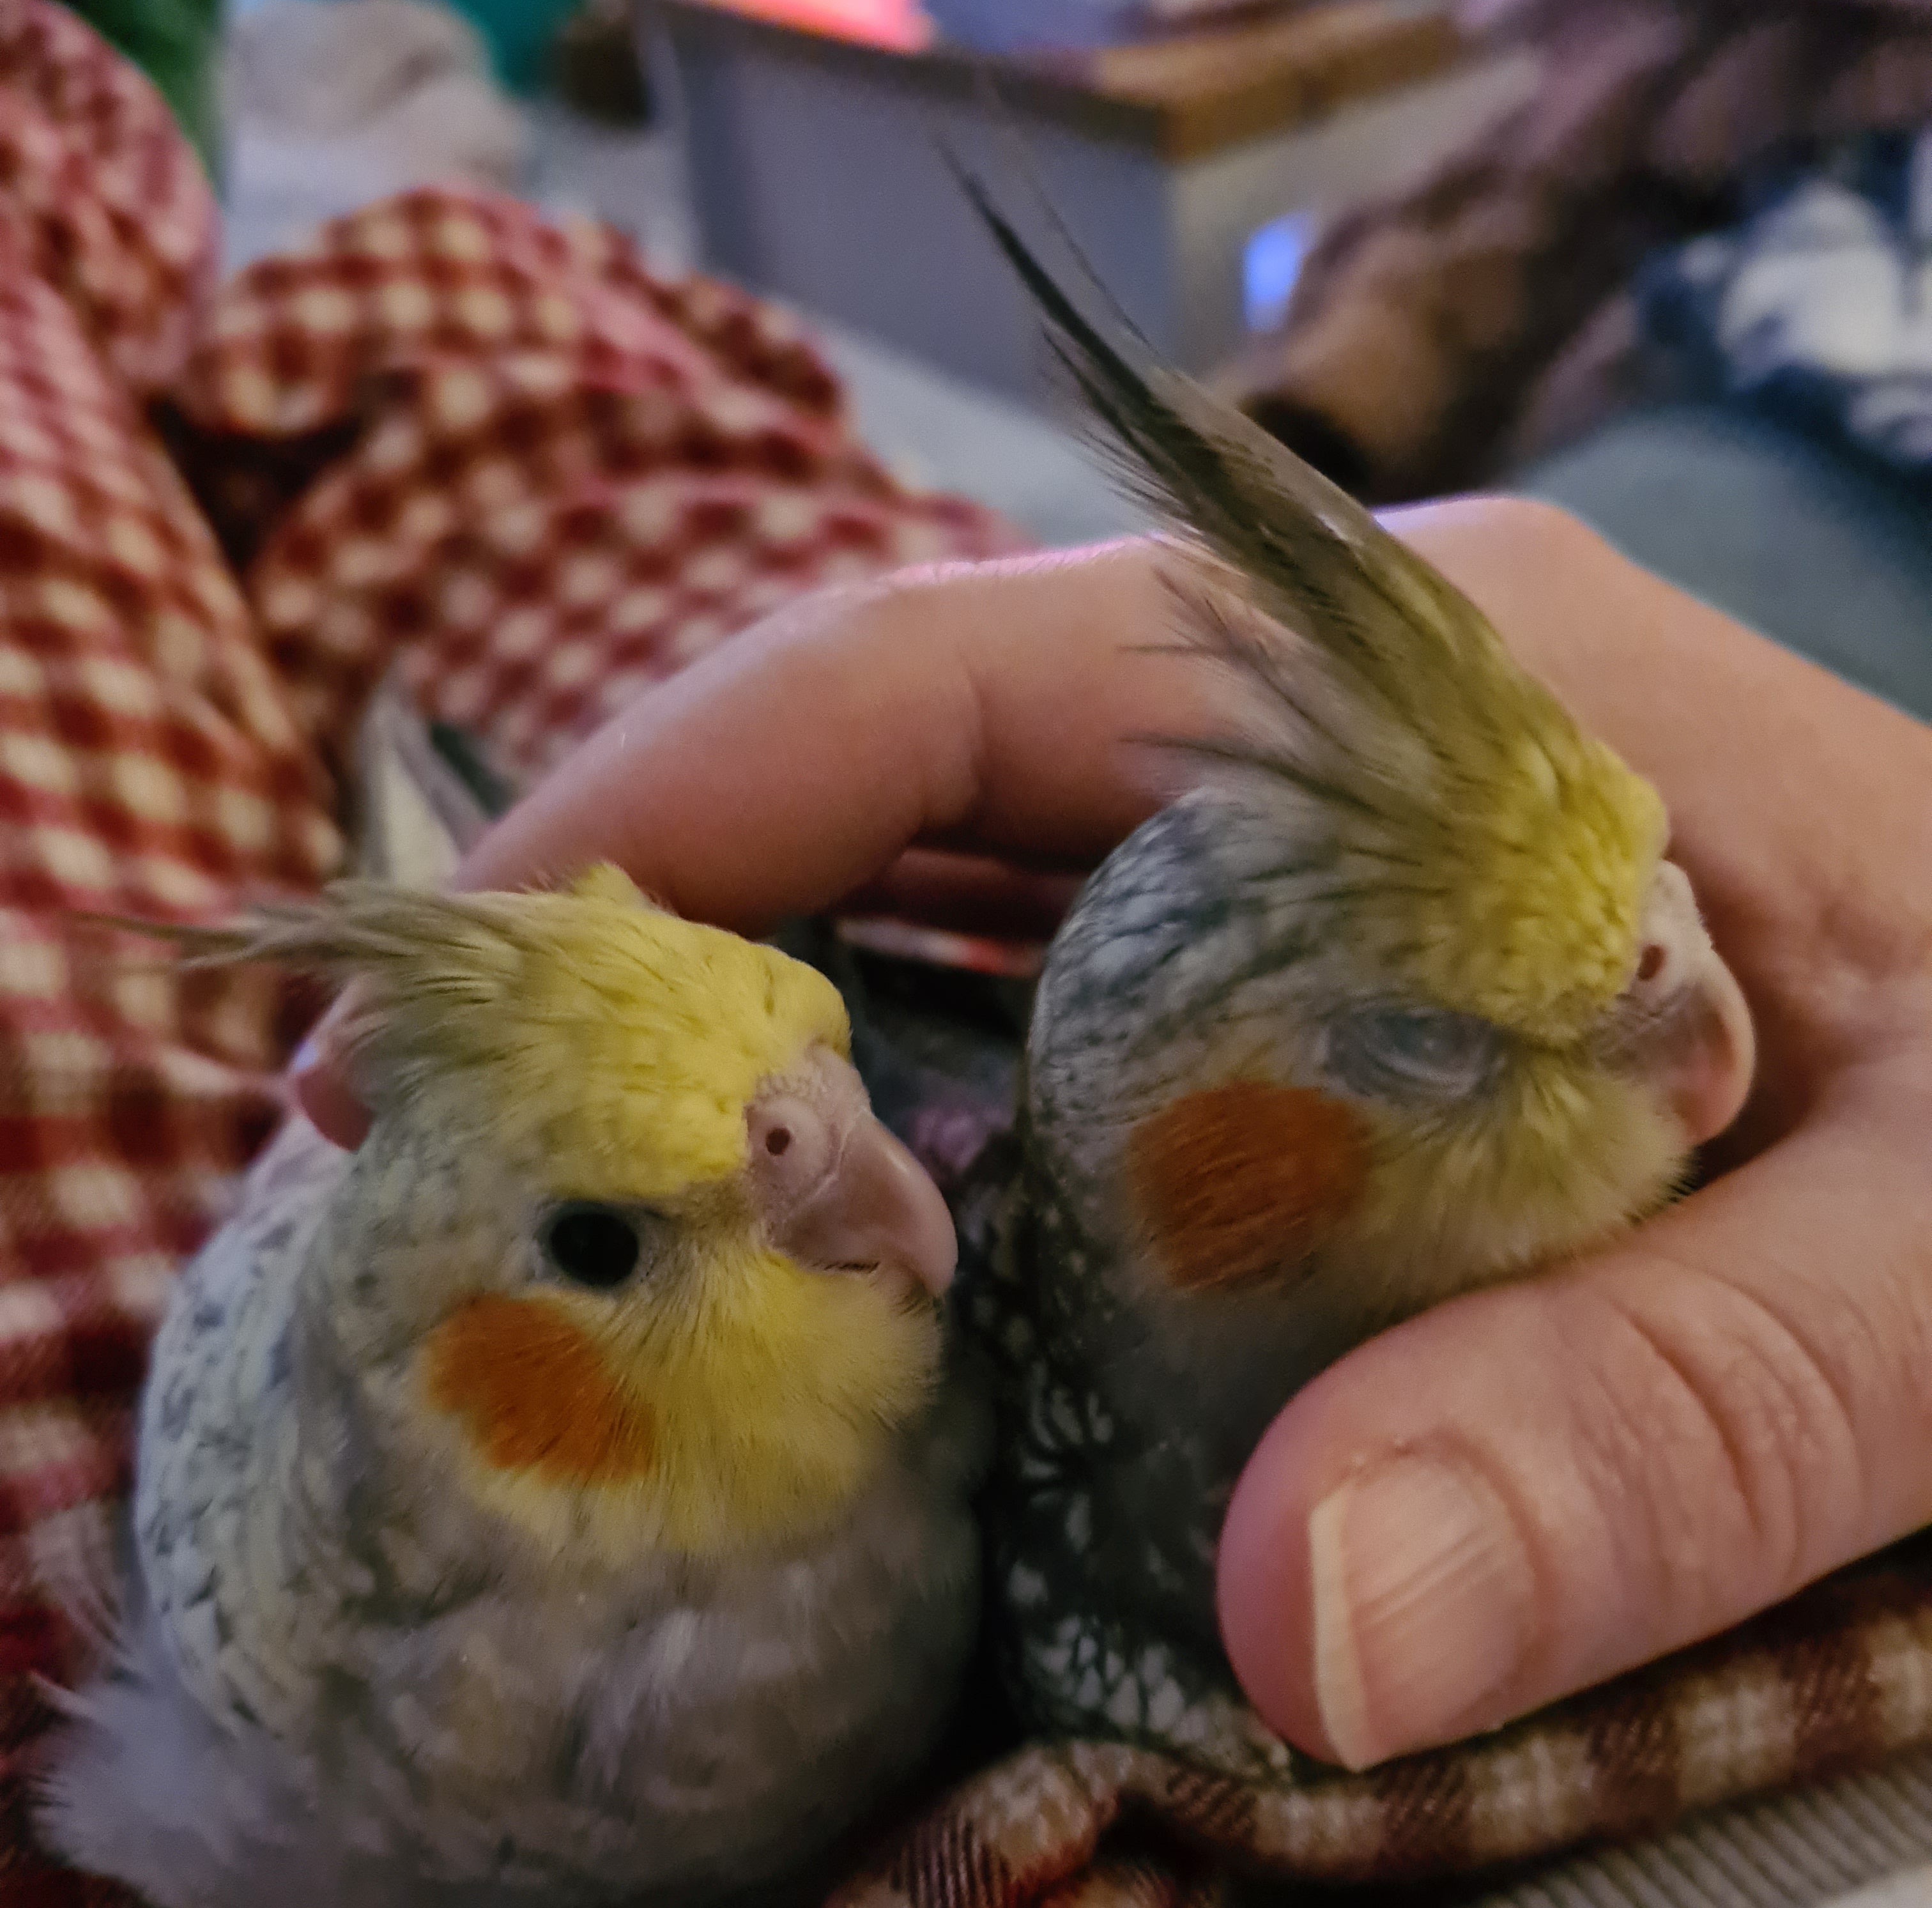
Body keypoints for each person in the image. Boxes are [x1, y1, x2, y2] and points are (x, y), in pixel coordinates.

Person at [295, 494, 1932, 1773]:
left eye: (1664, 905)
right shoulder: (1084, 1521)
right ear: (1185, 1170)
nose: (1694, 1002)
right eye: (1421, 1039)